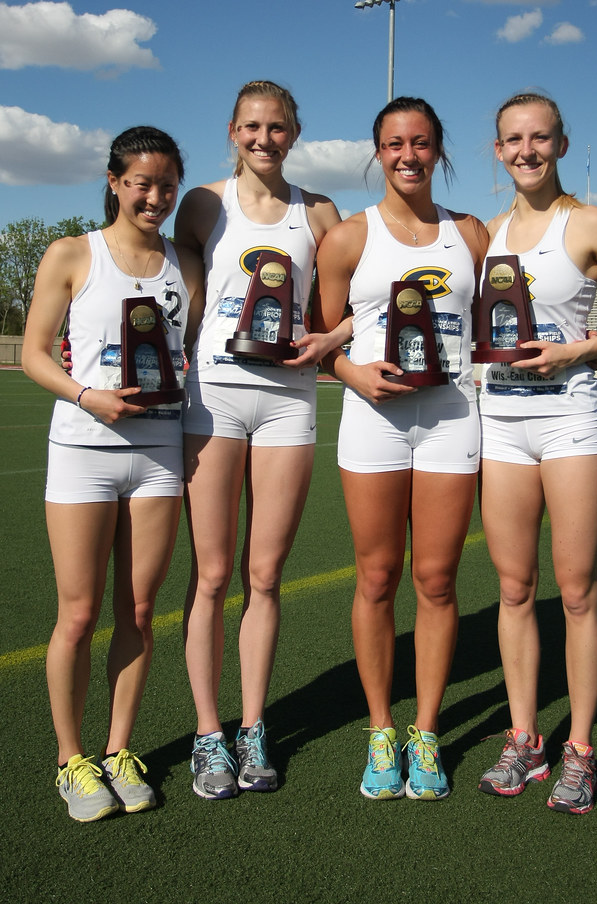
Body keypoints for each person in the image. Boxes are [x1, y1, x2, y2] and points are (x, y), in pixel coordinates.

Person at [476, 91, 597, 814]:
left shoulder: (587, 223)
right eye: (512, 139)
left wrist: (574, 351)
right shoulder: (489, 232)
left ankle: (579, 750)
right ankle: (523, 738)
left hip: (568, 420)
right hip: (499, 419)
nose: (525, 150)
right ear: (497, 150)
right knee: (513, 587)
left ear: (559, 143)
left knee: (577, 587)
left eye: (539, 137)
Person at [22, 127, 204, 822]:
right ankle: (72, 760)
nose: (154, 197)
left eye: (165, 185)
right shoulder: (73, 253)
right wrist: (86, 394)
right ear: (112, 181)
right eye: (140, 183)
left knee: (136, 612)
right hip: (83, 450)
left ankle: (119, 749)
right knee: (77, 613)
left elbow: (184, 354)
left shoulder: (184, 264)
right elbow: (38, 353)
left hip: (156, 454)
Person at [313, 96, 488, 800]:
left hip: (450, 418)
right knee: (377, 578)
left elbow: (491, 326)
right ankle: (381, 730)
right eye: (393, 144)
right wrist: (353, 371)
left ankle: (426, 731)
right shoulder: (349, 239)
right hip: (373, 423)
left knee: (437, 582)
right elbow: (321, 341)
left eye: (420, 143)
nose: (407, 155)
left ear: (438, 152)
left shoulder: (470, 234)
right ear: (377, 152)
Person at [176, 80, 343, 799]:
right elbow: (165, 288)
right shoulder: (202, 205)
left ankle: (252, 729)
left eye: (276, 127)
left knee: (264, 576)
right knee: (212, 576)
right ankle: (207, 735)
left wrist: (331, 337)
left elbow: (352, 305)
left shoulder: (320, 213)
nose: (263, 138)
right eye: (251, 126)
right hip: (210, 401)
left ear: (294, 132)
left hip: (287, 405)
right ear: (231, 130)